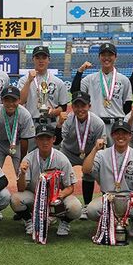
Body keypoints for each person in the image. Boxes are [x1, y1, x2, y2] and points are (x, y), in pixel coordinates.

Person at [82, 119, 133, 236]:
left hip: (129, 199)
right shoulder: (101, 154)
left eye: (124, 133)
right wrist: (95, 149)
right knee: (91, 210)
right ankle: (109, 220)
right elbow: (85, 169)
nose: (121, 136)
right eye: (117, 133)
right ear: (112, 135)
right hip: (108, 198)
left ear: (130, 136)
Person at [13, 123, 82, 237]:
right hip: (35, 196)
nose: (45, 142)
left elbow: (70, 187)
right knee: (15, 199)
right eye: (41, 139)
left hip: (56, 197)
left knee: (75, 207)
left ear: (54, 139)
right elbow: (21, 188)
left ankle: (64, 222)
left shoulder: (62, 159)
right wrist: (22, 174)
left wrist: (61, 195)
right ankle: (29, 221)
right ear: (36, 140)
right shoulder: (28, 159)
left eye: (48, 138)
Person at [57, 90, 106, 218]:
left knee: (90, 174)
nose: (80, 109)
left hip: (89, 153)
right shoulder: (67, 120)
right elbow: (57, 141)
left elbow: (101, 148)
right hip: (68, 151)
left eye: (83, 106)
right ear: (72, 107)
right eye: (76, 106)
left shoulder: (98, 123)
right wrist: (59, 124)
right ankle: (57, 203)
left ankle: (87, 206)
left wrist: (94, 157)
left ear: (89, 106)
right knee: (59, 173)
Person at [75, 43, 133, 141]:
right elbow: (75, 92)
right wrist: (80, 71)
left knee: (116, 150)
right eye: (103, 55)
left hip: (116, 125)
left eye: (110, 55)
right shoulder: (89, 79)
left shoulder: (123, 80)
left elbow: (127, 104)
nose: (106, 58)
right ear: (99, 57)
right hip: (96, 124)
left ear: (115, 57)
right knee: (96, 150)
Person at [17, 45, 70, 142]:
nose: (41, 61)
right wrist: (29, 81)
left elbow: (63, 106)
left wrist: (54, 112)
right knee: (31, 151)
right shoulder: (24, 80)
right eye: (37, 58)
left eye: (44, 58)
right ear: (33, 59)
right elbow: (20, 101)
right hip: (31, 123)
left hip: (51, 123)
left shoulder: (58, 82)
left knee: (52, 150)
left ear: (49, 60)